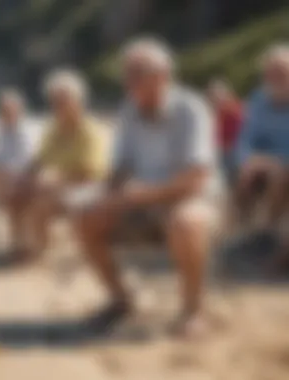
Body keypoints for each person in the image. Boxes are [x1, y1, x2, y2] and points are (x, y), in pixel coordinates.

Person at [75, 38, 223, 337]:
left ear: (163, 76)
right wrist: (109, 193)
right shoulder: (130, 109)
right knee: (85, 215)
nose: (129, 82)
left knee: (186, 221)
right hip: (144, 198)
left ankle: (193, 311)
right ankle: (120, 299)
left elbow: (196, 177)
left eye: (136, 74)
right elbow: (121, 165)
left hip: (193, 197)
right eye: (127, 75)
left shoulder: (191, 109)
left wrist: (145, 193)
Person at [24, 70, 109, 256]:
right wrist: (28, 177)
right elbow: (39, 160)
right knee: (23, 194)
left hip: (91, 188)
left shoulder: (90, 130)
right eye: (54, 102)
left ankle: (42, 249)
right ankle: (30, 245)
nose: (58, 106)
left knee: (43, 203)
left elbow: (91, 172)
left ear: (78, 101)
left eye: (63, 101)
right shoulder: (54, 130)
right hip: (61, 187)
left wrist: (55, 180)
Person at [234, 45, 289, 269]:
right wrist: (248, 162)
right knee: (243, 175)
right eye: (271, 73)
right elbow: (245, 140)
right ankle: (243, 235)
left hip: (282, 167)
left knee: (279, 176)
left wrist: (276, 163)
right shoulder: (258, 100)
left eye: (282, 73)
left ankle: (269, 233)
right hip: (263, 166)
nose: (276, 78)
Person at [0, 89, 34, 262]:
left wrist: (0, 172)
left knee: (14, 197)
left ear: (19, 111)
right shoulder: (1, 133)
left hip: (23, 181)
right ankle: (18, 245)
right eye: (3, 111)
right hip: (8, 183)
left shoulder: (25, 132)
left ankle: (21, 247)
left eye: (9, 110)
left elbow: (27, 163)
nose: (5, 114)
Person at [207, 78, 243, 183]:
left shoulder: (234, 111)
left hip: (231, 150)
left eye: (216, 95)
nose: (214, 98)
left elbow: (238, 137)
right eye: (211, 95)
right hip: (217, 149)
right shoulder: (208, 112)